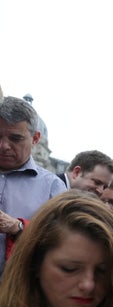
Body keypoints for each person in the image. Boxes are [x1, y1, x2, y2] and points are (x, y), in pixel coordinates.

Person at [0, 96, 66, 275]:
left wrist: (19, 228)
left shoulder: (53, 187)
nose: (4, 145)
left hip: (19, 294)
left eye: (15, 138)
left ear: (36, 138)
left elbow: (65, 240)